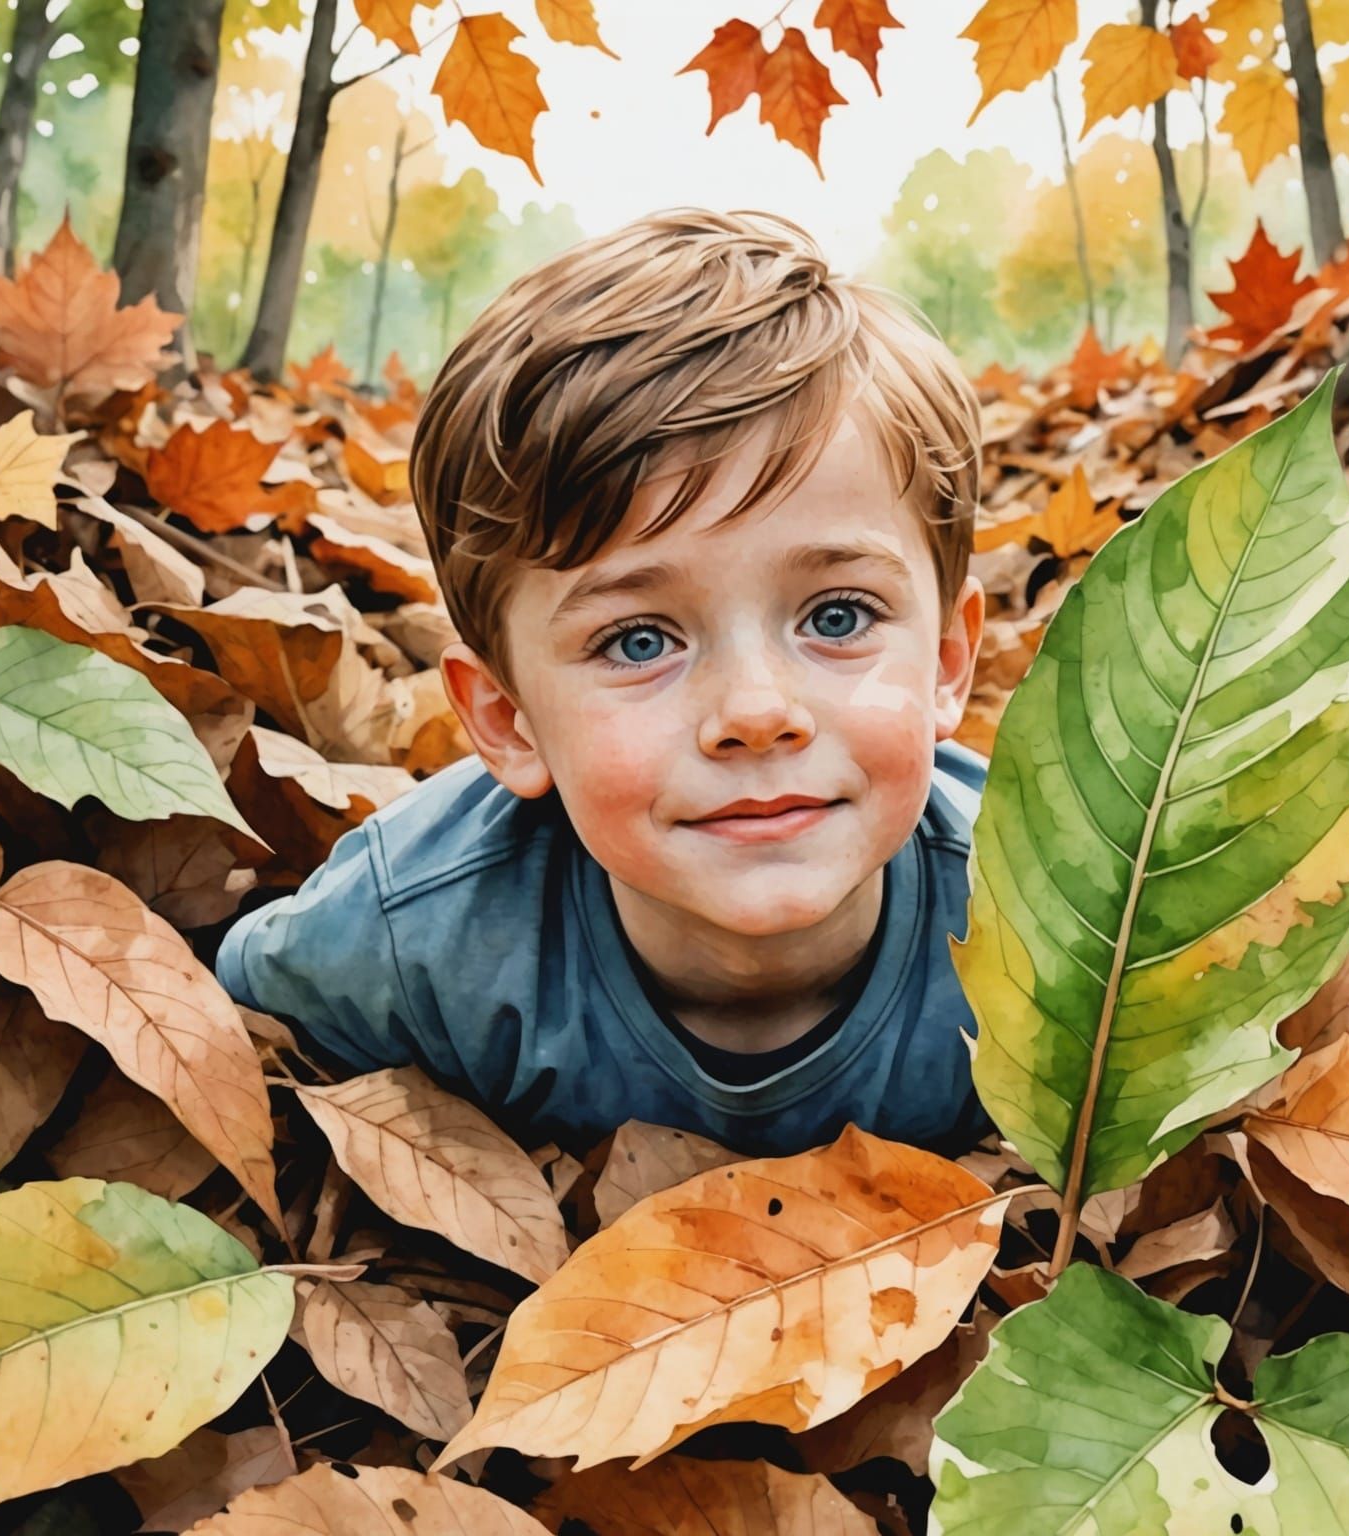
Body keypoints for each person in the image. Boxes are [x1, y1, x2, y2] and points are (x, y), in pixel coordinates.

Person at [215, 206, 997, 1161]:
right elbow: (240, 1022)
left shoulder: (1059, 928)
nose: (755, 714)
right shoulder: (408, 936)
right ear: (508, 720)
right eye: (636, 641)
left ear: (949, 662)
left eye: (837, 617)